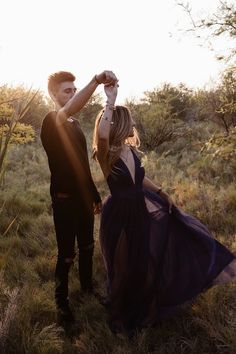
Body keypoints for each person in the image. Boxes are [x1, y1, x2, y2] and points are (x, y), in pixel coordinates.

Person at [92, 83, 236, 334]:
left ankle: (148, 313)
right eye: (131, 122)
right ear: (121, 123)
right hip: (120, 214)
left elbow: (139, 178)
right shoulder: (106, 154)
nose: (134, 125)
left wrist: (161, 192)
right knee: (124, 267)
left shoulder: (129, 150)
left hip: (140, 208)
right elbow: (103, 134)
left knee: (147, 262)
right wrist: (111, 102)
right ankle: (121, 315)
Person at [40, 70, 117, 326]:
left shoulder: (74, 126)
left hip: (83, 199)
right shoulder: (53, 120)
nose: (72, 94)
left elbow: (81, 165)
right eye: (66, 90)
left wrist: (94, 195)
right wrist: (95, 81)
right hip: (63, 201)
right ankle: (62, 304)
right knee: (66, 254)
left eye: (74, 89)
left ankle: (86, 289)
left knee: (87, 246)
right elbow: (71, 109)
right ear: (53, 94)